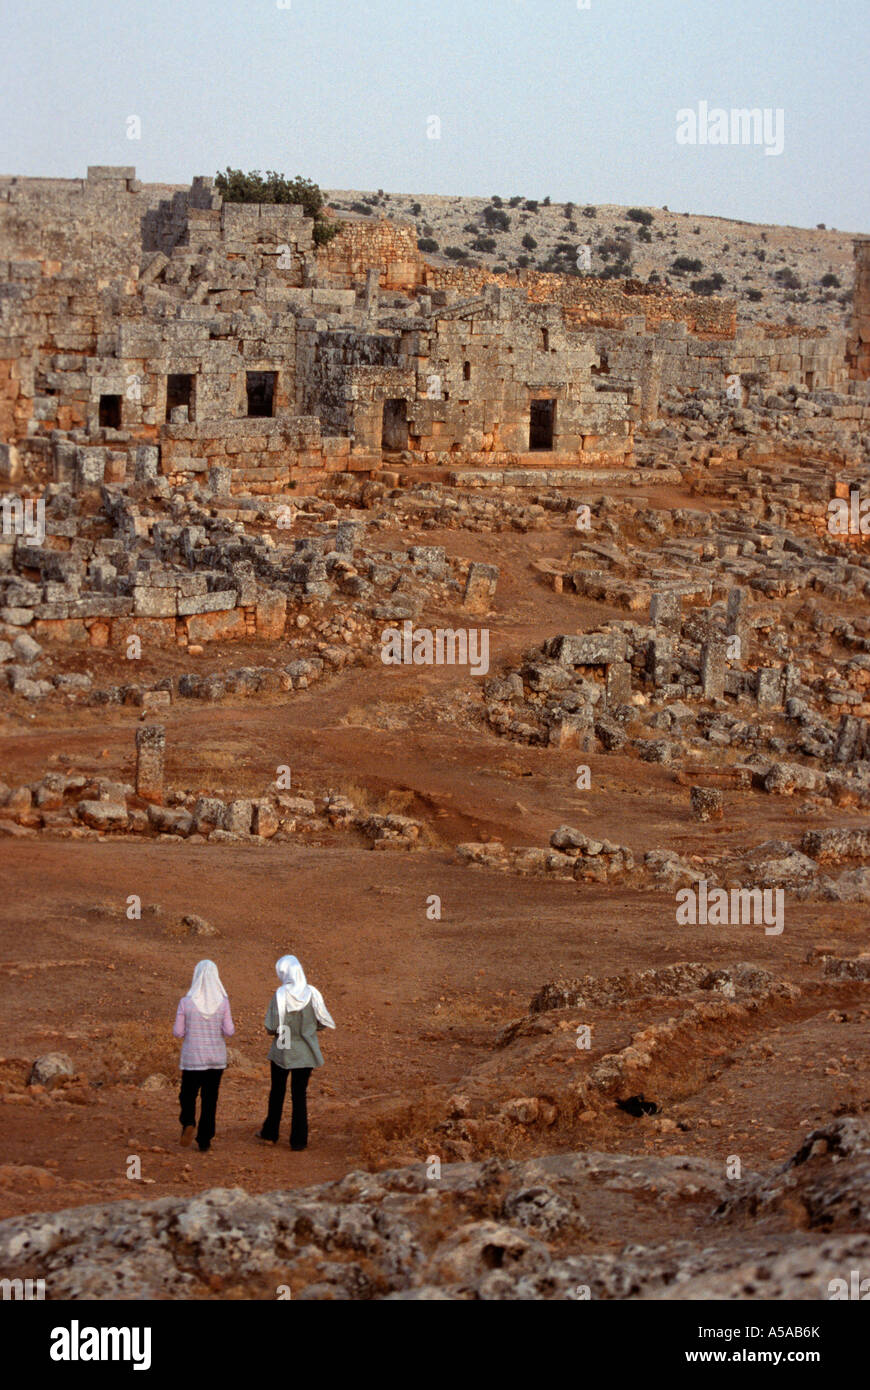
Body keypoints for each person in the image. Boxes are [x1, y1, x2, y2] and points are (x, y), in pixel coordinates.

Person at [257, 954, 335, 1150]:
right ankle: (299, 1141)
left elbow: (271, 1026)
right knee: (299, 1094)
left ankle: (270, 1133)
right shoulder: (313, 993)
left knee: (277, 1092)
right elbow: (322, 1023)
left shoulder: (280, 994)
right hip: (307, 1051)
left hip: (283, 1049)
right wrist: (308, 1032)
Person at [173, 959, 234, 1153]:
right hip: (216, 1059)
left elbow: (178, 1032)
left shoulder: (186, 1003)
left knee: (187, 1094)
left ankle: (188, 1121)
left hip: (193, 1058)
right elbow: (230, 1031)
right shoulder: (223, 1003)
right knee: (210, 1098)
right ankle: (205, 1140)